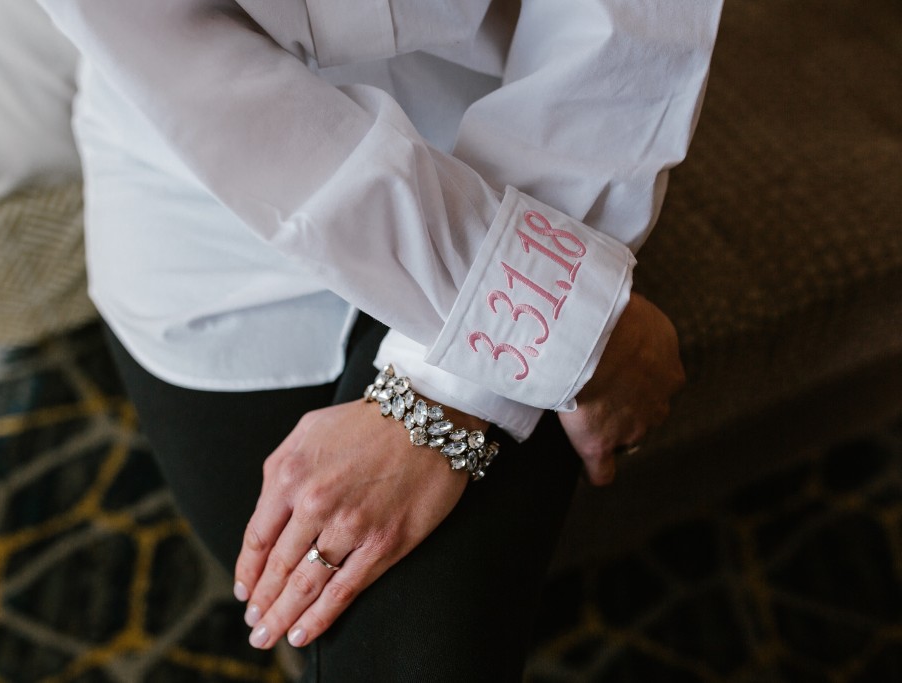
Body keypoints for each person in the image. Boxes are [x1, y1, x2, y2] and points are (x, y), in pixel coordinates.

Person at [38, 1, 721, 679]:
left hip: (518, 150)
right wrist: (567, 326)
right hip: (211, 225)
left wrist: (456, 381)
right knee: (310, 600)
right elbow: (209, 84)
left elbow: (627, 18)